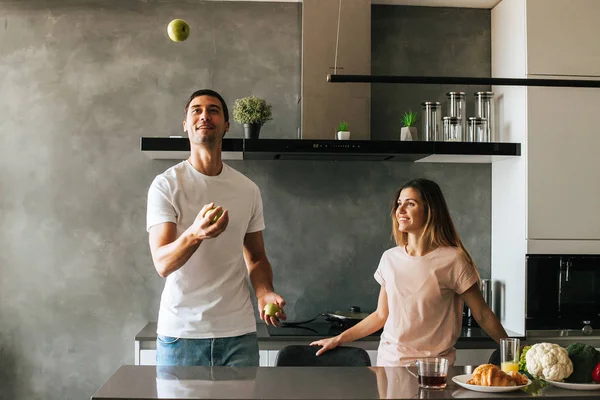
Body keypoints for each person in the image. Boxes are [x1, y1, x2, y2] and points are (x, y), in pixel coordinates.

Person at [147, 89, 286, 367]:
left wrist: (264, 292)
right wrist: (196, 234)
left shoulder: (247, 189)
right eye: (196, 110)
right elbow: (162, 263)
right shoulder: (167, 185)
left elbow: (256, 258)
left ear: (226, 125)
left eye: (213, 110)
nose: (204, 116)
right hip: (182, 336)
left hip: (239, 335)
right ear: (186, 124)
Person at [310, 178, 507, 366]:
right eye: (399, 204)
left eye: (410, 204)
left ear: (430, 210)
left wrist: (515, 353)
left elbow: (482, 314)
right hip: (390, 364)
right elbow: (380, 315)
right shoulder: (389, 258)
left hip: (434, 369)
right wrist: (339, 339)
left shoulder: (454, 259)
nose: (400, 210)